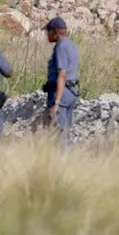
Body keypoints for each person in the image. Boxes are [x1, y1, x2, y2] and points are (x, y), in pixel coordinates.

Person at [43, 16, 81, 145]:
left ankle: (62, 161)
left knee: (59, 135)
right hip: (71, 92)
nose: (46, 35)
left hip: (61, 93)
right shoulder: (71, 45)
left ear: (55, 32)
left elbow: (62, 74)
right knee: (65, 131)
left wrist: (56, 102)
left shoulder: (60, 46)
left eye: (48, 31)